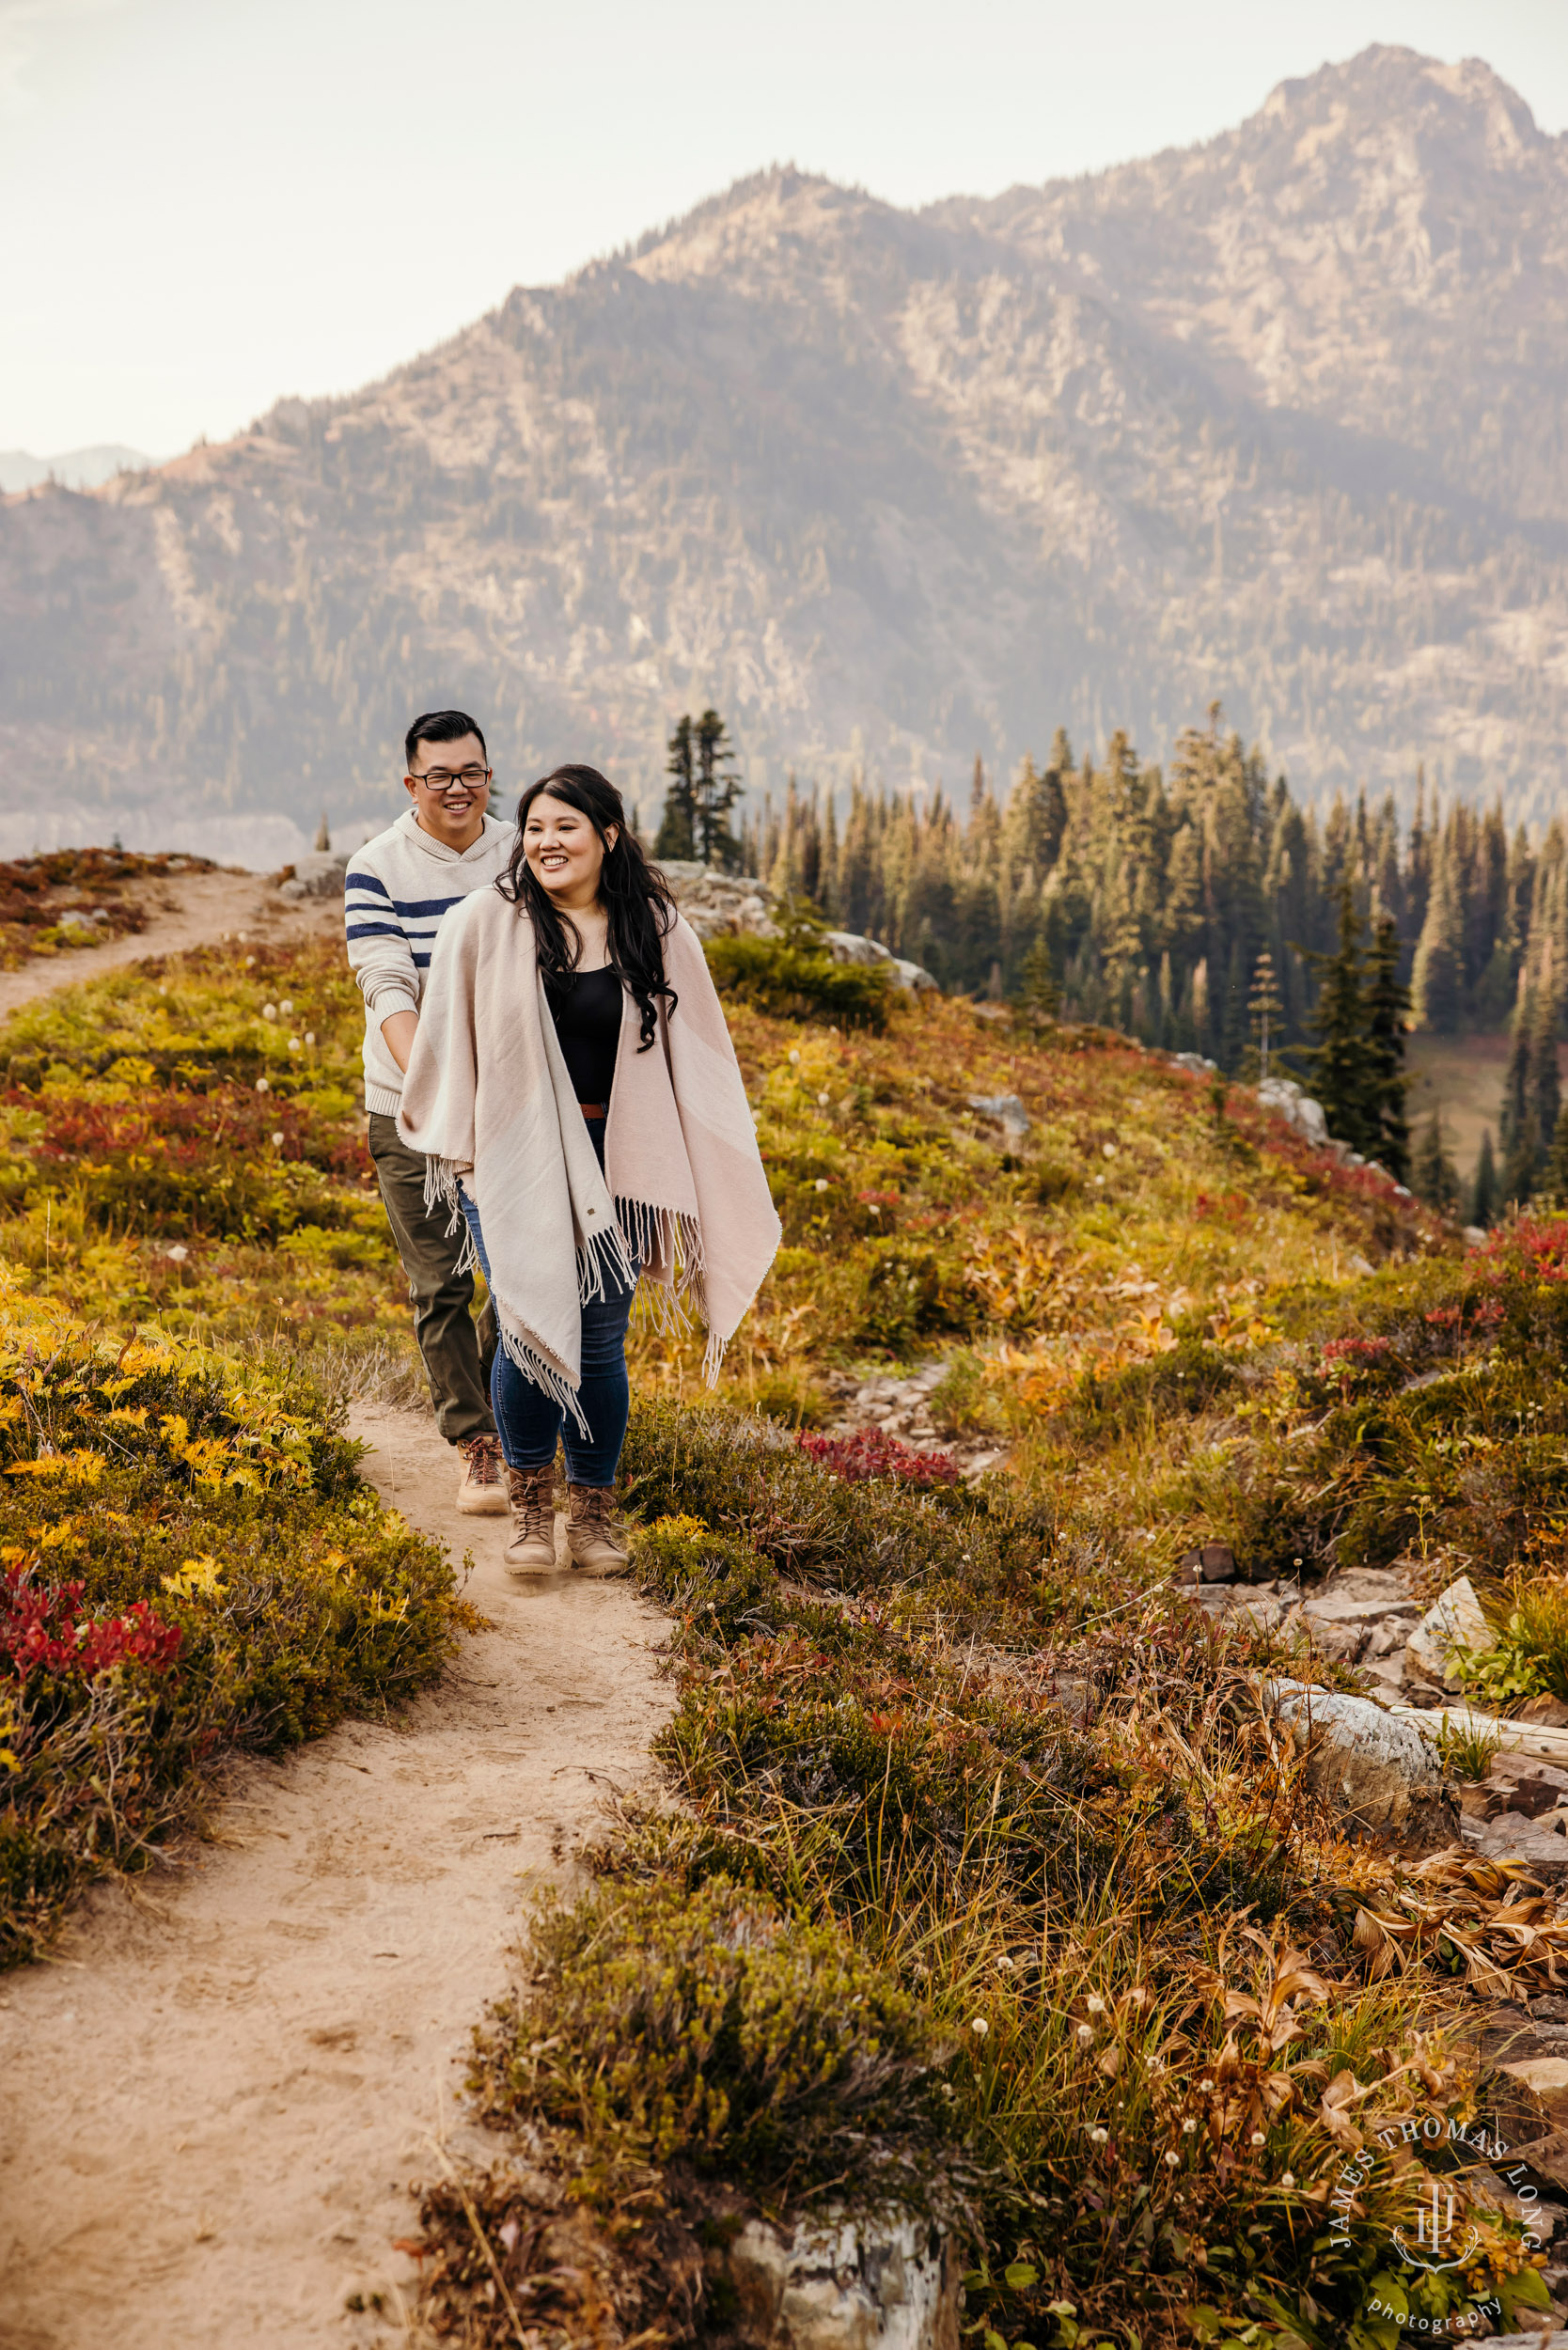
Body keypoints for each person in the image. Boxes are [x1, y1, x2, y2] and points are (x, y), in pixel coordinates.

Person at [397, 763, 780, 1575]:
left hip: (621, 1166)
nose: (546, 843)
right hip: (510, 1161)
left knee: (602, 1340)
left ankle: (593, 1515)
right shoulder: (484, 923)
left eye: (565, 827)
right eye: (534, 828)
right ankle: (531, 1509)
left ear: (608, 836)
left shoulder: (658, 929)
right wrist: (460, 1141)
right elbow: (446, 1042)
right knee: (527, 1331)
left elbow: (700, 1058)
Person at [344, 710, 516, 1515]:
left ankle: (507, 1419)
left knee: (515, 1278)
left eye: (472, 772)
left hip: (515, 1107)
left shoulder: (520, 853)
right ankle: (476, 1443)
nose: (459, 789)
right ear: (411, 782)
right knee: (442, 1283)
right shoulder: (377, 865)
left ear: (489, 773)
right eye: (440, 776)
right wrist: (436, 1086)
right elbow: (387, 984)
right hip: (409, 1107)